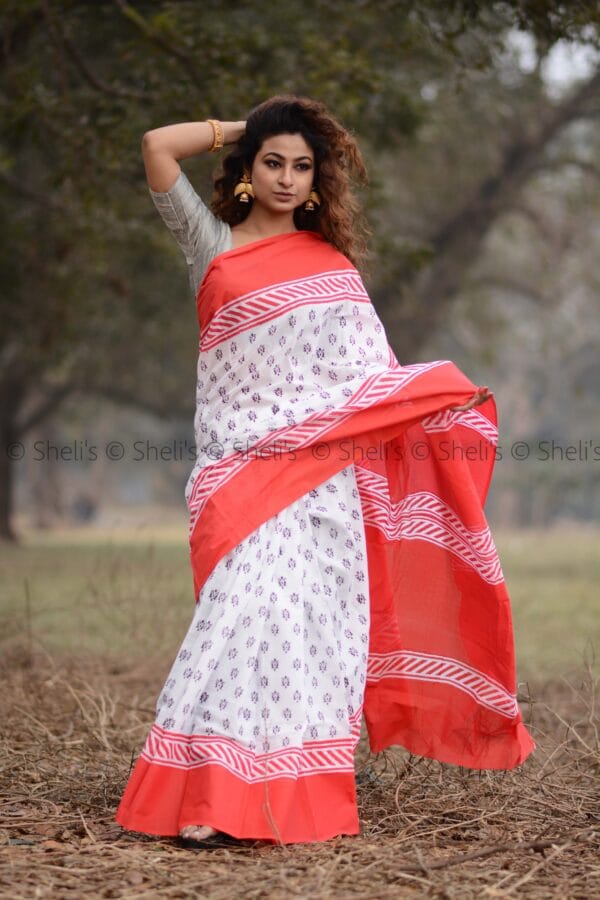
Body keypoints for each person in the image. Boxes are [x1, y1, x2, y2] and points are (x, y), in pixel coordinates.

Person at [115, 95, 535, 848]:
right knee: (244, 616)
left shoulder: (331, 267)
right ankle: (212, 793)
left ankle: (283, 795)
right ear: (246, 170)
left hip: (321, 481)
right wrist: (262, 122)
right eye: (273, 163)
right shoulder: (210, 244)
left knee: (309, 632)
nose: (286, 178)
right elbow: (156, 147)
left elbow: (364, 379)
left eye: (302, 166)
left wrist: (430, 399)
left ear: (318, 182)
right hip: (239, 472)